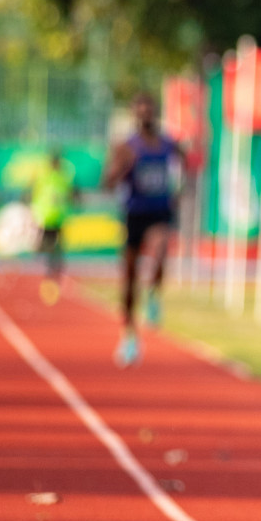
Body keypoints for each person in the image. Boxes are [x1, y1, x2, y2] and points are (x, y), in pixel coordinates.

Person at [101, 92, 181, 367]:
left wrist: (179, 190)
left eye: (150, 109)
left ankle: (155, 295)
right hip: (134, 213)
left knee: (160, 250)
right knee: (129, 280)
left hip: (159, 211)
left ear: (155, 113)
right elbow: (107, 183)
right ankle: (129, 337)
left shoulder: (168, 145)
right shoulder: (126, 147)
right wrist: (120, 170)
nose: (146, 115)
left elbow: (186, 167)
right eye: (141, 110)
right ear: (135, 115)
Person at [29, 148, 76, 305]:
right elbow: (35, 194)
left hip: (59, 217)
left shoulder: (63, 178)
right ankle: (50, 272)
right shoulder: (45, 177)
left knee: (58, 248)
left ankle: (55, 273)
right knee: (48, 246)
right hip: (47, 217)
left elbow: (72, 193)